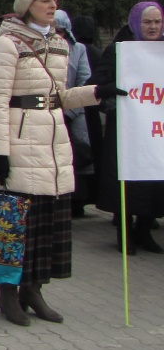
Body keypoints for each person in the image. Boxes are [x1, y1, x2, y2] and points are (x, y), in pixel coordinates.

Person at [0, 0, 105, 326]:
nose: (52, 6)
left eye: (55, 0)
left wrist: (97, 93)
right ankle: (8, 292)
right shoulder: (7, 43)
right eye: (44, 0)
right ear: (27, 5)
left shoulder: (59, 43)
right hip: (21, 140)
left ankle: (33, 289)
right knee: (18, 222)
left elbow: (59, 97)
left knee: (47, 224)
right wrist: (0, 152)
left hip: (53, 143)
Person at [91, 1, 164, 254]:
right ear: (135, 23)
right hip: (127, 128)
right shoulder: (119, 51)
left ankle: (144, 230)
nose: (153, 27)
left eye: (157, 22)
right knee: (127, 181)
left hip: (154, 129)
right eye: (147, 22)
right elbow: (96, 84)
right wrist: (112, 94)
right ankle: (125, 233)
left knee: (153, 180)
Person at [54, 10, 95, 218]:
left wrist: (70, 110)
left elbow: (84, 80)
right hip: (49, 114)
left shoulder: (78, 49)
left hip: (74, 112)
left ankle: (77, 203)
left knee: (77, 158)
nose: (57, 35)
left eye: (60, 31)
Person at [71, 14, 105, 212]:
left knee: (78, 154)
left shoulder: (77, 50)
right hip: (89, 110)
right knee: (88, 155)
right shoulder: (96, 53)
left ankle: (78, 201)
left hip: (77, 109)